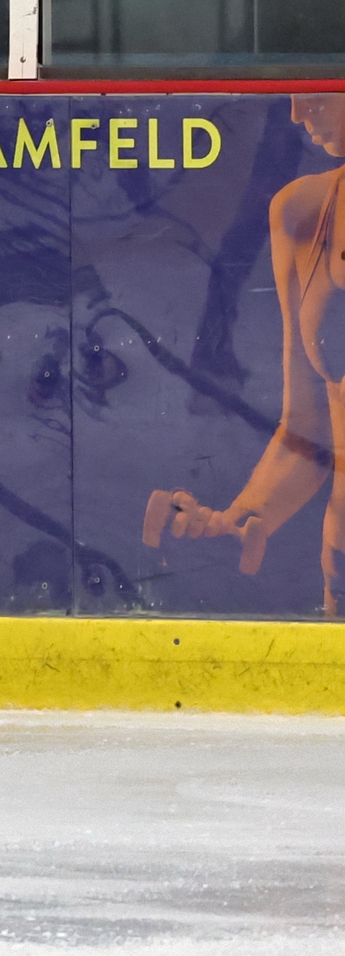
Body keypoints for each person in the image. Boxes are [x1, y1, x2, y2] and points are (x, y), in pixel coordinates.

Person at [145, 94, 345, 613]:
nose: (298, 113)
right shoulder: (301, 211)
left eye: (320, 85)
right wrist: (235, 521)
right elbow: (309, 431)